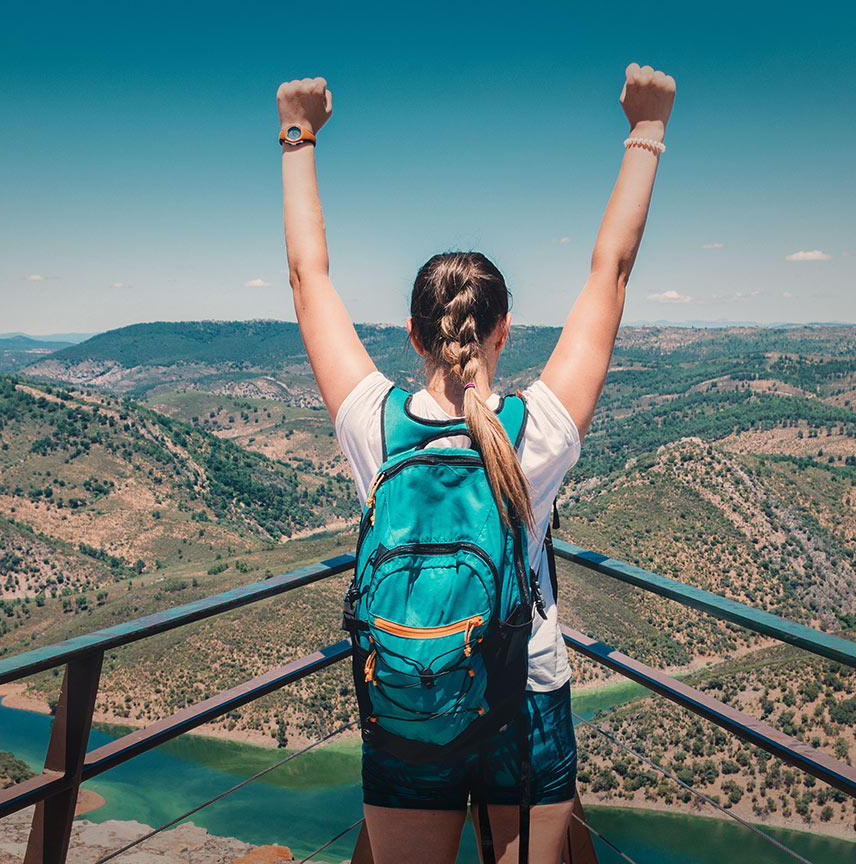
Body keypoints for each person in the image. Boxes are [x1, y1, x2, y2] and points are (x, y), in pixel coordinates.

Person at [276, 62, 675, 864]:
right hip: (523, 700)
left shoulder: (376, 424)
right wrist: (647, 129)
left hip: (405, 702)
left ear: (415, 337)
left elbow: (306, 278)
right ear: (505, 332)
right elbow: (612, 273)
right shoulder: (537, 432)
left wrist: (298, 132)